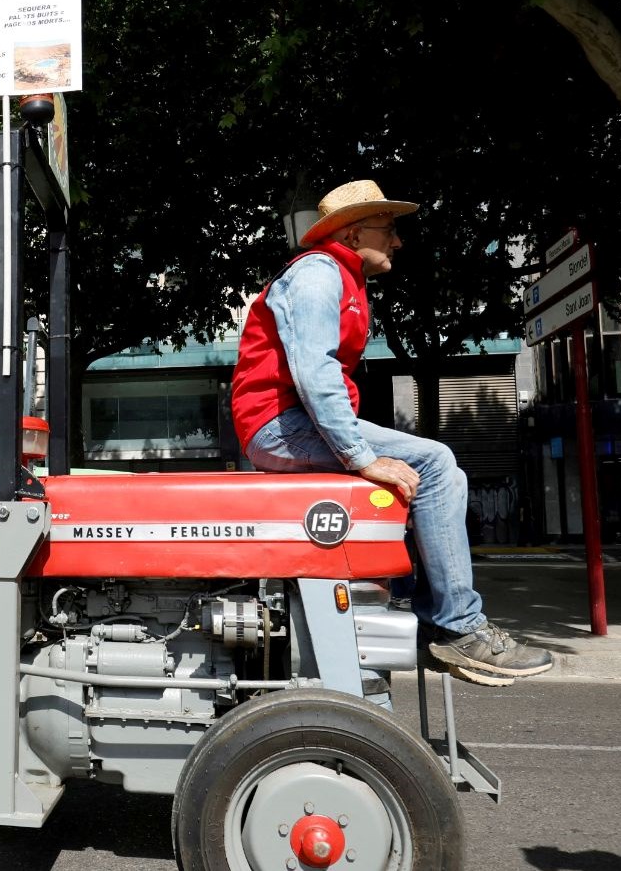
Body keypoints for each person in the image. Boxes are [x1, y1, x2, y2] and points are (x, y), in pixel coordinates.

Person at [231, 179, 553, 686]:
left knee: (410, 478)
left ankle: (427, 616)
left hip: (289, 423)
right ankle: (458, 628)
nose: (397, 241)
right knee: (436, 463)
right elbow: (315, 374)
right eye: (389, 230)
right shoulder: (319, 273)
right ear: (355, 232)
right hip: (280, 425)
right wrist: (361, 455)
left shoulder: (344, 279)